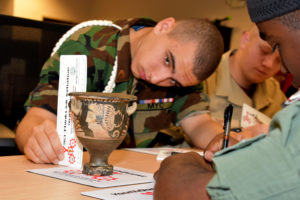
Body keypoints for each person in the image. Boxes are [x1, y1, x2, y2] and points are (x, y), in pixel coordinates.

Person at [15, 17, 224, 164]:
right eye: (167, 60)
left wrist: (223, 141)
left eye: (174, 82)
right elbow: (36, 120)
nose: (158, 78)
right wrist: (36, 141)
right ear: (164, 26)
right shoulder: (91, 48)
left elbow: (199, 123)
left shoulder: (184, 74)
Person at [154, 0, 300, 199]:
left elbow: (184, 192)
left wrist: (179, 164)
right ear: (245, 39)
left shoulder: (274, 91)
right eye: (269, 49)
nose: (278, 68)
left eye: (278, 46)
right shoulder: (200, 77)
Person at [203, 25, 286, 140]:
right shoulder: (205, 77)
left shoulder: (274, 91)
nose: (269, 64)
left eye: (279, 60)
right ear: (245, 40)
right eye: (264, 51)